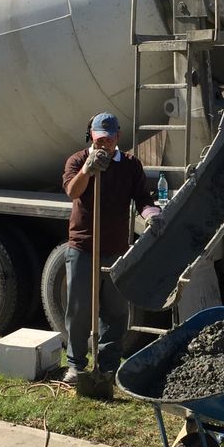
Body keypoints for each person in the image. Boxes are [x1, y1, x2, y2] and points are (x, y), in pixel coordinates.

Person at [61, 113, 161, 387]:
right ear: (91, 136)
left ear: (118, 137)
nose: (104, 143)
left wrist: (151, 213)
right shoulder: (78, 160)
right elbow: (72, 191)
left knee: (115, 313)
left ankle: (107, 369)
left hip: (116, 250)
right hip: (83, 248)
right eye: (99, 138)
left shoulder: (130, 165)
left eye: (110, 138)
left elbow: (143, 197)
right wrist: (88, 170)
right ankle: (76, 366)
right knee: (79, 310)